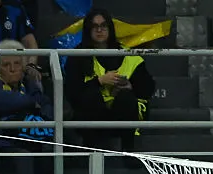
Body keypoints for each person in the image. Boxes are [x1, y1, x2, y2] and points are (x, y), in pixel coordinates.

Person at [64, 9, 155, 152]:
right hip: (90, 118)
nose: (99, 30)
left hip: (121, 115)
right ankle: (92, 151)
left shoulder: (127, 54)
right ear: (88, 30)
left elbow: (148, 88)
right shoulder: (77, 56)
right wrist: (99, 81)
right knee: (91, 97)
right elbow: (72, 92)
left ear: (110, 28)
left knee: (126, 98)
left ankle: (129, 151)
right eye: (94, 26)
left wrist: (130, 87)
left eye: (103, 26)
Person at [0, 39, 53, 174]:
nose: (12, 69)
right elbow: (3, 102)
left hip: (30, 138)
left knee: (49, 150)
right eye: (6, 65)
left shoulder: (29, 83)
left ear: (24, 67)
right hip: (4, 143)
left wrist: (39, 111)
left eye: (17, 64)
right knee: (22, 155)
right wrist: (32, 104)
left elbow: (46, 104)